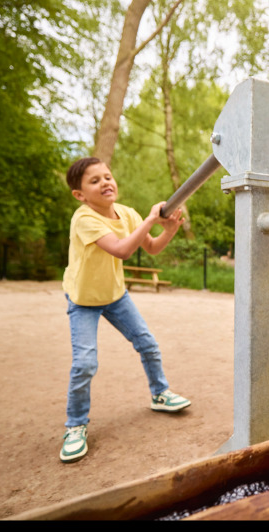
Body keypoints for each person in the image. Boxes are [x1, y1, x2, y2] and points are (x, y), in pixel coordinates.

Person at [60, 156, 192, 463]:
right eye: (95, 181)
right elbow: (122, 250)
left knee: (147, 343)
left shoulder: (127, 213)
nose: (105, 183)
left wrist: (169, 229)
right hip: (83, 300)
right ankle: (75, 425)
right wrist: (150, 220)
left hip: (115, 295)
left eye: (107, 176)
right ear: (80, 195)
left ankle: (160, 394)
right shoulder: (84, 219)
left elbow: (152, 247)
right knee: (85, 364)